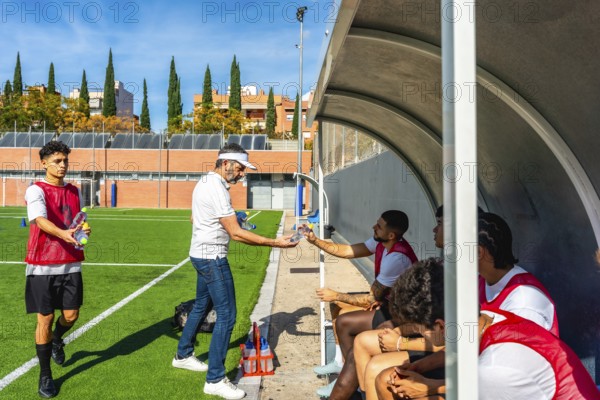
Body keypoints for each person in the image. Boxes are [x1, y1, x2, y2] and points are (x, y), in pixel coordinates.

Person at [172, 143, 297, 400]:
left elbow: (196, 219)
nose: (242, 174)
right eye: (239, 169)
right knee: (227, 316)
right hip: (212, 259)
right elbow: (237, 234)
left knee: (200, 307)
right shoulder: (216, 188)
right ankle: (215, 379)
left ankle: (183, 354)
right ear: (226, 163)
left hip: (200, 254)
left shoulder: (205, 182)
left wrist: (233, 217)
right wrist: (277, 242)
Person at [376, 258, 600, 400]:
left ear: (441, 326)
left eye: (419, 331)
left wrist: (430, 387)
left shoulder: (495, 369)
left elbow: (487, 380)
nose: (421, 337)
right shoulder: (492, 318)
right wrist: (422, 366)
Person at [303, 210, 418, 397]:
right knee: (340, 314)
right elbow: (348, 251)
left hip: (402, 315)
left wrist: (335, 295)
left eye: (379, 226)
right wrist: (315, 240)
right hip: (388, 305)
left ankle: (350, 378)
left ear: (391, 235)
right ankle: (345, 369)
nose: (374, 227)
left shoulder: (397, 257)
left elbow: (371, 298)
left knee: (344, 321)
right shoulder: (382, 242)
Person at [24, 141, 91, 398]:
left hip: (71, 262)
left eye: (65, 161)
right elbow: (40, 221)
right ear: (44, 164)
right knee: (46, 319)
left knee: (71, 315)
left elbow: (79, 220)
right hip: (41, 265)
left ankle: (57, 339)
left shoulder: (75, 191)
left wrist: (83, 229)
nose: (62, 165)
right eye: (56, 161)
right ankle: (45, 376)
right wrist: (63, 233)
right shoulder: (36, 190)